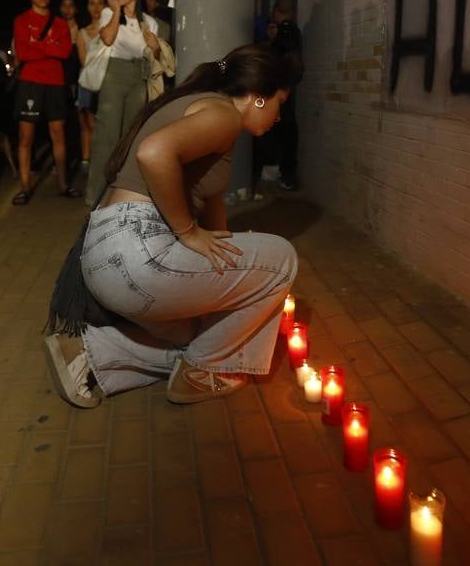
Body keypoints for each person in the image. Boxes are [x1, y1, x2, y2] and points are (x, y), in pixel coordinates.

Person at [45, 44, 297, 407]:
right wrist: (188, 233)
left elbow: (216, 222)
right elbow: (154, 153)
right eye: (279, 104)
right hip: (135, 252)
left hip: (107, 257)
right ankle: (203, 372)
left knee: (204, 334)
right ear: (259, 97)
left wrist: (228, 291)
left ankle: (87, 351)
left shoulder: (204, 111)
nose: (278, 117)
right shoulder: (223, 114)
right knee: (283, 260)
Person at [84, 0, 161, 203]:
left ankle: (123, 194)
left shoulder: (149, 22)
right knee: (106, 136)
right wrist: (117, 10)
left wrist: (155, 47)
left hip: (140, 75)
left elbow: (154, 57)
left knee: (131, 136)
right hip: (115, 73)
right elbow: (108, 39)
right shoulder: (109, 13)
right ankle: (96, 196)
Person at [11, 0, 78, 204]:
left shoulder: (59, 23)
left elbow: (65, 52)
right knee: (26, 136)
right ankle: (24, 188)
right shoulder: (21, 20)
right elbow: (23, 53)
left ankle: (63, 184)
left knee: (58, 134)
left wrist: (37, 45)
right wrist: (50, 47)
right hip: (30, 82)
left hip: (55, 83)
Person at [263, 0, 304, 191]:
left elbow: (291, 63)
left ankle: (285, 174)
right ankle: (277, 170)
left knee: (285, 129)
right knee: (277, 128)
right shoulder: (281, 30)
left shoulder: (290, 31)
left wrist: (278, 41)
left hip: (283, 88)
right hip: (277, 87)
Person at [74, 0, 106, 175]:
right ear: (87, 7)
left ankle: (100, 160)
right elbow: (84, 61)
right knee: (87, 123)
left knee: (102, 124)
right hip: (87, 83)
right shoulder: (82, 33)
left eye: (100, 3)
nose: (96, 7)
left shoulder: (110, 31)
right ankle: (86, 160)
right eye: (92, 3)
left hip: (106, 82)